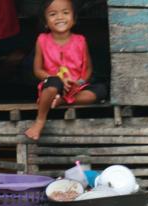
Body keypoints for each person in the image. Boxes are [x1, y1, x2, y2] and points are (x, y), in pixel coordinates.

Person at [24, 0, 107, 141]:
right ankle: (40, 120)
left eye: (66, 13)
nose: (60, 17)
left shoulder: (80, 40)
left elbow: (88, 69)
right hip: (53, 85)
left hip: (76, 87)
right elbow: (38, 70)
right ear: (45, 22)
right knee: (52, 85)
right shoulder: (42, 40)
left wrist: (79, 82)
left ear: (74, 19)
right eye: (53, 14)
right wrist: (58, 79)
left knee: (99, 91)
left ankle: (62, 101)